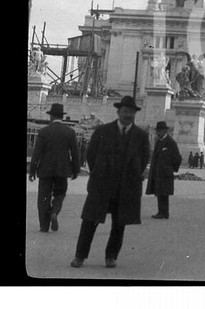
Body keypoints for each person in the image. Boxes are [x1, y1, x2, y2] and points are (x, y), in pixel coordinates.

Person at [70, 96, 150, 269]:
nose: (128, 115)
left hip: (125, 188)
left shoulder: (141, 136)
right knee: (89, 221)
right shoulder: (102, 130)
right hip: (102, 185)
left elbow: (144, 159)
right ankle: (79, 256)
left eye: (131, 112)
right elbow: (91, 155)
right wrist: (99, 173)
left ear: (135, 114)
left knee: (119, 225)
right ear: (119, 112)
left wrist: (131, 175)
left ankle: (111, 256)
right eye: (125, 111)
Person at [28, 103, 80, 233]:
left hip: (45, 170)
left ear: (51, 116)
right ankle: (54, 212)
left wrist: (32, 170)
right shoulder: (70, 132)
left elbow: (37, 153)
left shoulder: (44, 131)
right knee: (60, 194)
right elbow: (75, 153)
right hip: (62, 170)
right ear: (62, 116)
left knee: (43, 198)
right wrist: (75, 170)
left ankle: (44, 226)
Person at [145, 121, 182, 219]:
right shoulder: (159, 141)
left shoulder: (170, 142)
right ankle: (161, 211)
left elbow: (177, 157)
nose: (158, 133)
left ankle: (164, 212)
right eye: (157, 131)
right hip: (158, 172)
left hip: (165, 172)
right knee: (159, 192)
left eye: (160, 131)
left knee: (164, 193)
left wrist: (171, 168)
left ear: (165, 131)